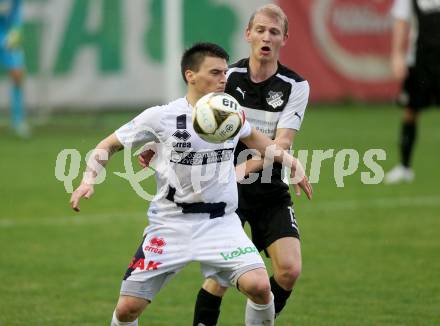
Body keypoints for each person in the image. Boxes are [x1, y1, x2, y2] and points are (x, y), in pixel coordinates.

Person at [70, 42, 312, 326]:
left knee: (259, 286)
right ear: (190, 75)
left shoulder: (230, 113)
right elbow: (108, 146)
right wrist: (88, 180)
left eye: (225, 71)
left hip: (220, 224)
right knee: (126, 309)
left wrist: (291, 162)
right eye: (215, 72)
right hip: (170, 225)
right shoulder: (161, 117)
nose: (224, 78)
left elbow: (263, 143)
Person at [188, 5, 311, 324]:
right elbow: (195, 118)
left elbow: (282, 144)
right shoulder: (228, 79)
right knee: (220, 278)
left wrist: (247, 166)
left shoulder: (295, 86)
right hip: (228, 193)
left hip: (271, 190)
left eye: (273, 32)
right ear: (248, 34)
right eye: (260, 30)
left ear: (284, 38)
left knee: (289, 270)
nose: (266, 37)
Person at [385, 0, 440, 184]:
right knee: (410, 112)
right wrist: (396, 54)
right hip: (420, 61)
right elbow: (401, 21)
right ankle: (404, 167)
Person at [0, 0, 28, 137]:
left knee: (17, 75)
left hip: (7, 35)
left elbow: (17, 14)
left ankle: (18, 121)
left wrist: (15, 32)